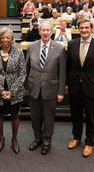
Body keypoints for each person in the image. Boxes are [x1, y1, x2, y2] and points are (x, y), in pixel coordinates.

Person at [66, 19, 94, 157]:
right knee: (75, 114)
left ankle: (89, 143)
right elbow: (68, 67)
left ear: (91, 29)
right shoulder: (72, 44)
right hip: (74, 87)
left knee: (91, 117)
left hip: (92, 88)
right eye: (81, 28)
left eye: (86, 28)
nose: (84, 30)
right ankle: (76, 137)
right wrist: (67, 84)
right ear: (78, 29)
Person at [26, 21, 66, 155]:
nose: (45, 32)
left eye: (48, 30)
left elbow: (62, 72)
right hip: (34, 88)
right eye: (43, 30)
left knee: (49, 118)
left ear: (52, 32)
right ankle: (37, 139)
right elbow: (27, 68)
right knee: (35, 118)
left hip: (51, 89)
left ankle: (47, 141)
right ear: (39, 32)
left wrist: (61, 92)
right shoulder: (31, 47)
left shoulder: (59, 48)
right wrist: (26, 87)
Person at [0, 28, 26, 154]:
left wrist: (12, 91)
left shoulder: (19, 52)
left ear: (12, 39)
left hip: (15, 91)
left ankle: (14, 139)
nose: (5, 40)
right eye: (3, 37)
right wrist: (0, 90)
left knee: (15, 115)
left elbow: (22, 74)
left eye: (8, 37)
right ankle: (1, 138)